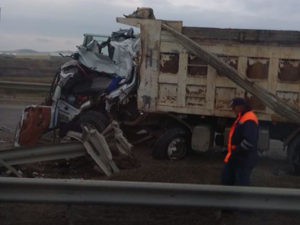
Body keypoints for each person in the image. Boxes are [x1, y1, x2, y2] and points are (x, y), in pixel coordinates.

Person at [221, 97, 259, 186]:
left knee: (240, 184)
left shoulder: (249, 119)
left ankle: (239, 198)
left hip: (243, 158)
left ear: (240, 107)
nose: (232, 109)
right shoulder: (242, 116)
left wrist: (236, 151)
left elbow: (249, 142)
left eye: (234, 107)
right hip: (238, 157)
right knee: (227, 180)